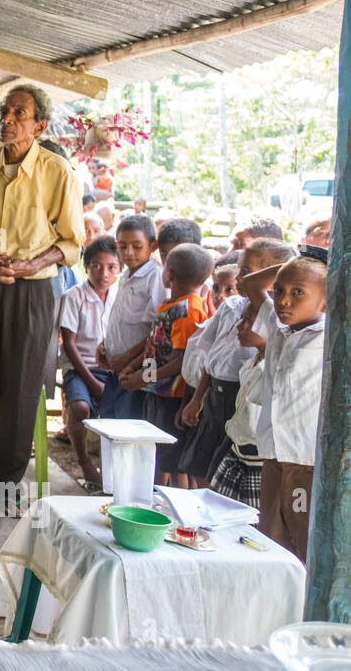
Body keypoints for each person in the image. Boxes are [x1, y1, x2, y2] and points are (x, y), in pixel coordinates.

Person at [0, 85, 83, 513]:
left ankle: (5, 482)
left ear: (40, 126)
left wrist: (28, 265)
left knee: (22, 386)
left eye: (18, 114)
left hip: (31, 289)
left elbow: (71, 243)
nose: (6, 120)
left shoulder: (57, 172)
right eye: (4, 112)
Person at [178, 239, 292, 488]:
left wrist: (290, 267)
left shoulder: (273, 316)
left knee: (220, 474)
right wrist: (197, 399)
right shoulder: (231, 306)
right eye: (241, 269)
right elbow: (210, 357)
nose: (240, 278)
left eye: (249, 273)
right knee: (199, 465)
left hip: (239, 400)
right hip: (214, 397)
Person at [249, 254, 327, 561]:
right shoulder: (279, 328)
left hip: (303, 462)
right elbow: (253, 283)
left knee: (301, 536)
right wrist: (299, 258)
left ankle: (306, 607)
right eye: (279, 291)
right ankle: (278, 606)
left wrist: (324, 267)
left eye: (298, 292)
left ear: (325, 302)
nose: (284, 301)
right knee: (271, 537)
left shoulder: (331, 338)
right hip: (273, 456)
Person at [119, 243, 213, 487]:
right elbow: (158, 346)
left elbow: (182, 361)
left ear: (169, 274)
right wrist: (136, 367)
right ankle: (152, 497)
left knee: (171, 460)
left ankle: (174, 507)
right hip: (157, 391)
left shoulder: (188, 310)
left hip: (173, 398)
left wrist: (143, 377)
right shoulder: (172, 306)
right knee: (156, 453)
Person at [58, 235, 120, 491]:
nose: (103, 273)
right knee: (80, 408)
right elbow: (69, 343)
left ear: (120, 268)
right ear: (85, 266)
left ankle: (114, 470)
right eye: (96, 265)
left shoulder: (120, 296)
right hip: (80, 368)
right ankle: (84, 462)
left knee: (121, 414)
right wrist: (92, 382)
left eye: (111, 267)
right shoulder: (75, 296)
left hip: (113, 369)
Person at [97, 214, 164, 420]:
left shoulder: (155, 278)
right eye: (123, 246)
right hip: (116, 367)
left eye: (137, 246)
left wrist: (127, 358)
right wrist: (105, 345)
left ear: (153, 246)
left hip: (136, 371)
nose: (129, 252)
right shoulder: (126, 276)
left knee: (128, 429)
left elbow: (158, 332)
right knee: (109, 425)